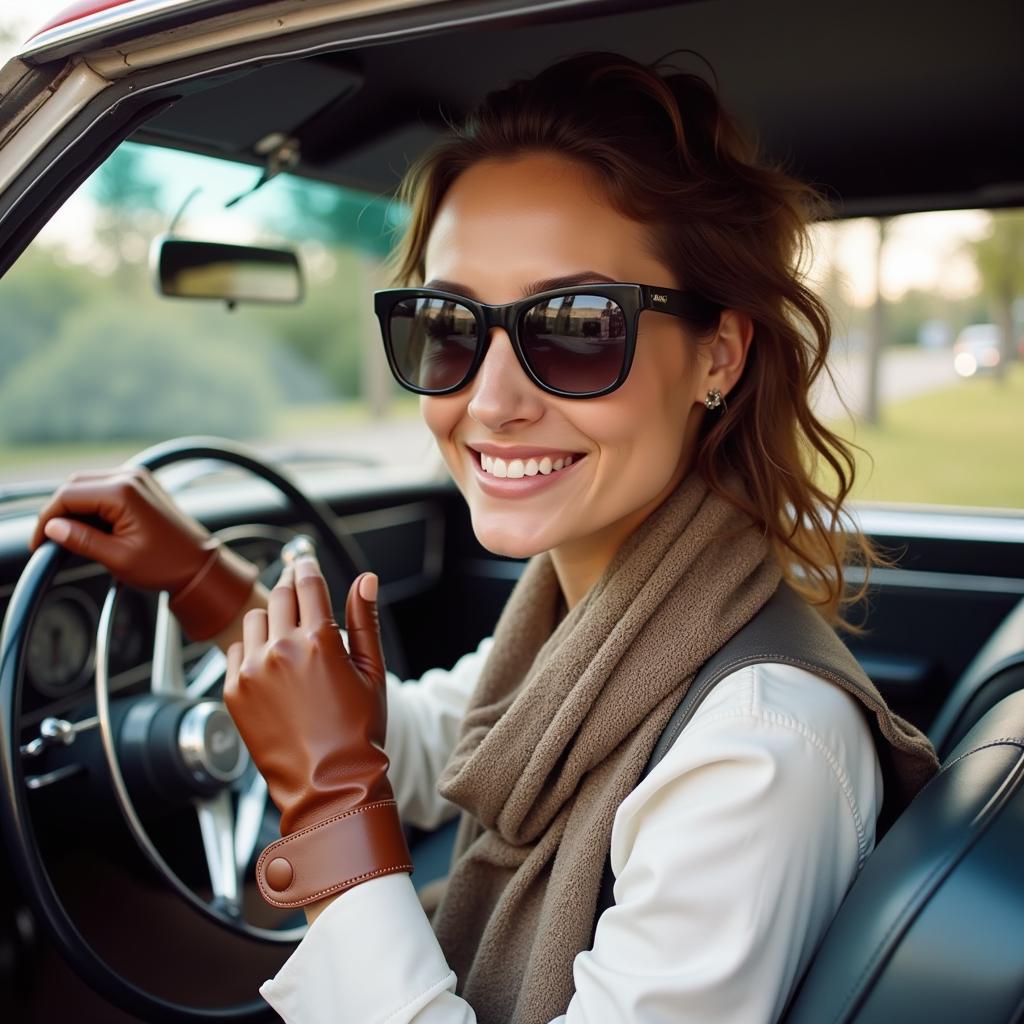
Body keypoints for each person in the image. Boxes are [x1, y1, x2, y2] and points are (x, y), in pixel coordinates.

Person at [32, 52, 939, 1024]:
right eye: (448, 323)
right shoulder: (611, 604)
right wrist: (207, 588)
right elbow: (449, 747)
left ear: (717, 354)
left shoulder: (757, 753)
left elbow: (389, 769)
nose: (490, 402)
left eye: (577, 327)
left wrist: (332, 806)